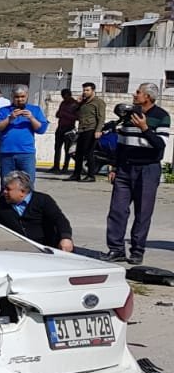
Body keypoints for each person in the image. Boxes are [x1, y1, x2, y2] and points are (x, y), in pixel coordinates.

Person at [105, 83, 170, 264]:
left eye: (138, 92)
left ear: (148, 97)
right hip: (125, 168)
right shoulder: (128, 116)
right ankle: (116, 249)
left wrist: (144, 128)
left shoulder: (161, 116)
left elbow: (160, 144)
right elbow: (121, 144)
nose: (135, 94)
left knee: (143, 213)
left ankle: (137, 251)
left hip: (148, 169)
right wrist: (114, 166)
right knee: (117, 210)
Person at [0, 171, 74, 252]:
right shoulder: (1, 203)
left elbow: (60, 220)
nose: (4, 192)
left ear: (22, 191)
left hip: (46, 248)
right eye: (4, 188)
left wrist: (66, 238)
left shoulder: (43, 200)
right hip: (16, 250)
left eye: (8, 189)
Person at [0, 85, 48, 191]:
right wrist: (10, 118)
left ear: (27, 96)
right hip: (7, 154)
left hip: (26, 154)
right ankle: (6, 207)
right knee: (6, 186)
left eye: (22, 96)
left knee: (28, 185)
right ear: (12, 97)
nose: (20, 99)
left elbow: (41, 129)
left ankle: (27, 206)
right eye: (17, 97)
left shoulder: (35, 110)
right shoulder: (4, 111)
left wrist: (31, 118)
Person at [68, 82, 106, 182]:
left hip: (91, 129)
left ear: (93, 91)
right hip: (82, 129)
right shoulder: (83, 102)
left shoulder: (98, 102)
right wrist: (77, 102)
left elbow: (101, 117)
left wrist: (98, 130)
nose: (85, 92)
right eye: (84, 90)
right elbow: (71, 110)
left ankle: (91, 175)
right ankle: (76, 174)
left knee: (88, 152)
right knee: (78, 153)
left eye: (87, 90)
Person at [51, 89, 79, 174]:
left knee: (67, 149)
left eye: (66, 96)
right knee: (57, 148)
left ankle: (65, 166)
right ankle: (56, 166)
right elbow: (58, 114)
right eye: (63, 96)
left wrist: (65, 114)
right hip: (60, 127)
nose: (64, 98)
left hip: (69, 128)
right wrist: (60, 114)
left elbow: (77, 117)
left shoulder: (75, 104)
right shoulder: (63, 103)